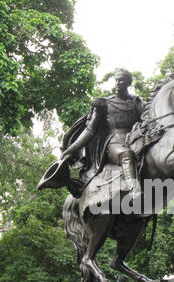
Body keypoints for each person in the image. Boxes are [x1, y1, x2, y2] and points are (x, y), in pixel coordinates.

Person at [61, 68, 145, 201]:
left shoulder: (135, 102)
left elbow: (148, 118)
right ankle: (134, 190)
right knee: (126, 155)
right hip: (114, 142)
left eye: (121, 80)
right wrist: (71, 149)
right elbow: (90, 130)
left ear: (129, 83)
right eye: (116, 80)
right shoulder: (104, 103)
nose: (117, 83)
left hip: (134, 139)